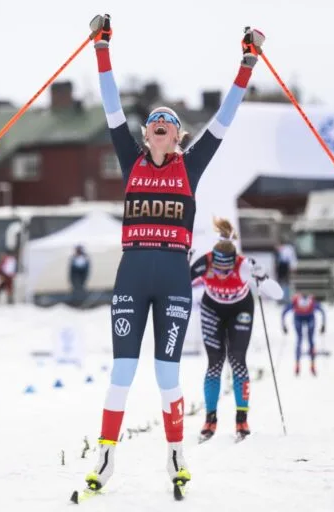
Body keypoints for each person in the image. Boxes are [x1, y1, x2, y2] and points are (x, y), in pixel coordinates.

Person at [81, 14, 265, 493]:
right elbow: (112, 107)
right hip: (134, 270)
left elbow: (224, 118)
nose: (161, 124)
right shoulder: (131, 158)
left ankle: (176, 457)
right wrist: (101, 48)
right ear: (146, 136)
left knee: (167, 374)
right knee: (122, 370)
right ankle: (105, 457)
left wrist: (247, 62)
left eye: (170, 122)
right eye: (155, 122)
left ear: (179, 137)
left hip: (173, 275)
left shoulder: (191, 164)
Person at [190, 218, 283, 442]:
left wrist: (262, 277)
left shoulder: (244, 265)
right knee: (215, 362)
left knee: (238, 359)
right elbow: (180, 285)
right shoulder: (205, 262)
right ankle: (210, 419)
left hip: (240, 309)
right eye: (218, 268)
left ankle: (242, 419)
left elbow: (278, 294)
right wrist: (184, 265)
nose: (222, 272)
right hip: (212, 310)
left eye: (226, 268)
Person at [282, 292, 326, 376]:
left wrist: (323, 325)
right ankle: (298, 365)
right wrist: (283, 325)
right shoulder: (296, 301)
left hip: (309, 318)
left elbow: (322, 311)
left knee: (310, 341)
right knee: (300, 340)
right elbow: (284, 311)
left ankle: (312, 365)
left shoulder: (311, 301)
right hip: (298, 318)